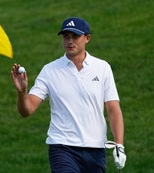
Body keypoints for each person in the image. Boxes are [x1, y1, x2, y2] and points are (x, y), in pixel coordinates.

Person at [11, 17, 126, 173]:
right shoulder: (49, 70)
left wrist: (119, 145)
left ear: (87, 38)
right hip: (62, 148)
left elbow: (113, 108)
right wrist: (22, 92)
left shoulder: (102, 68)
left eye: (75, 36)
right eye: (66, 37)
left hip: (96, 149)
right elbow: (27, 110)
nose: (70, 41)